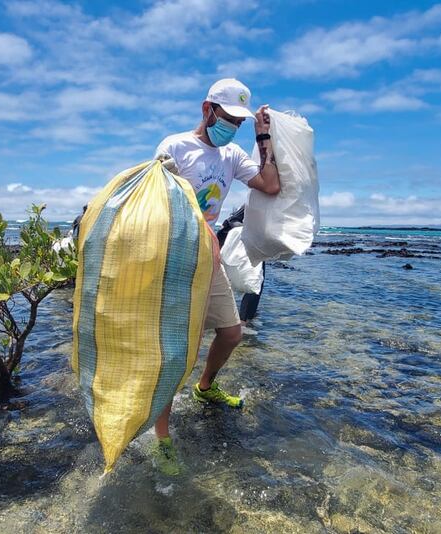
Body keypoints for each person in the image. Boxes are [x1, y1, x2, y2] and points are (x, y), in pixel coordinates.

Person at [152, 78, 281, 474]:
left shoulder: (232, 153)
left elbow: (271, 185)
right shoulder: (173, 146)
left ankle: (206, 387)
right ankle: (162, 438)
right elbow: (153, 204)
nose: (232, 128)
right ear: (207, 110)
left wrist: (263, 137)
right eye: (228, 119)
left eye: (239, 123)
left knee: (231, 332)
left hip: (209, 256)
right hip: (175, 261)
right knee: (174, 353)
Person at [215, 204, 264, 322]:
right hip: (231, 242)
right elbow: (232, 220)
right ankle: (242, 321)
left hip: (250, 242)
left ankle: (244, 318)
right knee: (254, 281)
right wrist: (249, 231)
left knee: (255, 282)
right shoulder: (259, 200)